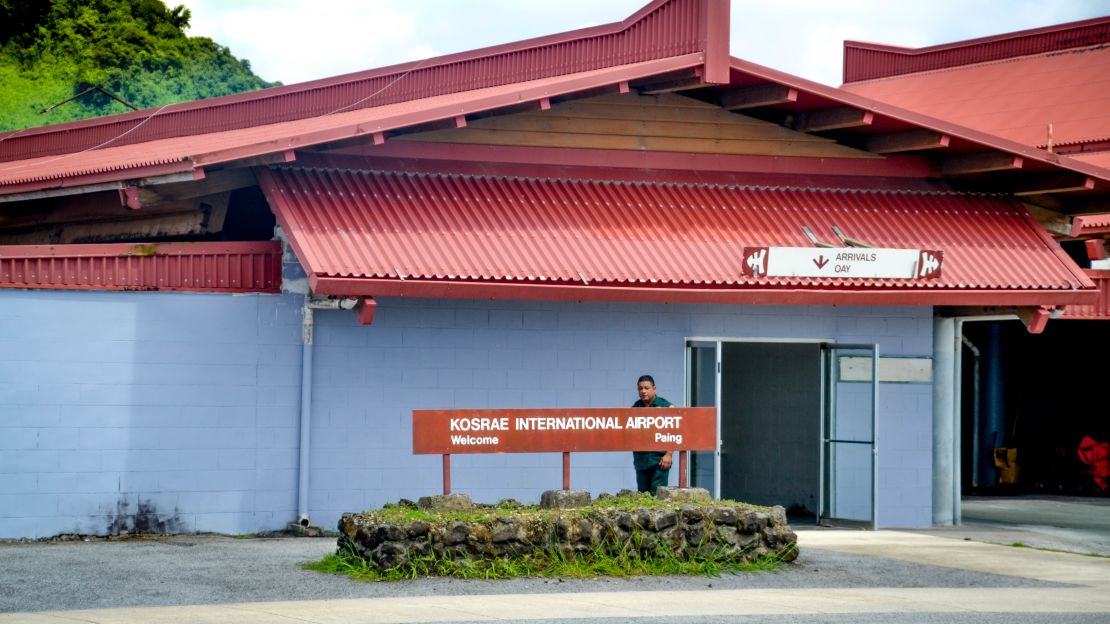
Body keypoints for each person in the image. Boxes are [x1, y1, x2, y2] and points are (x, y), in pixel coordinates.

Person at [632, 374, 673, 495]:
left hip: (659, 460)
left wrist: (669, 454)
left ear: (654, 389)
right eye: (640, 388)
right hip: (641, 460)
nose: (643, 391)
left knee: (658, 496)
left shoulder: (666, 406)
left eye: (646, 388)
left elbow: (675, 432)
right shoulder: (635, 408)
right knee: (643, 496)